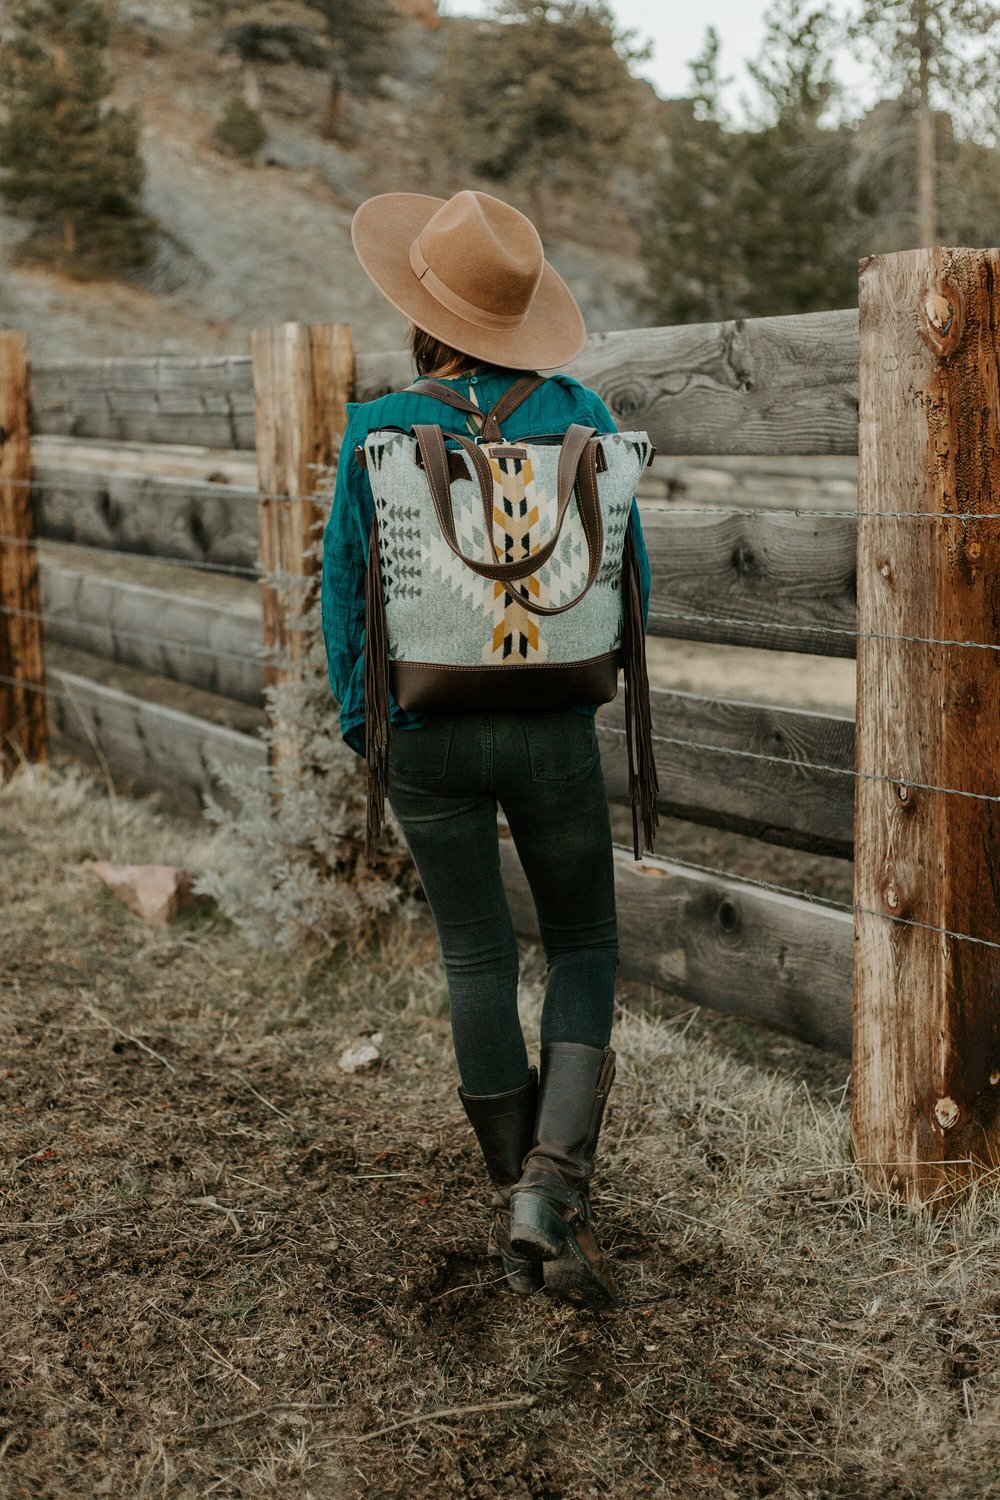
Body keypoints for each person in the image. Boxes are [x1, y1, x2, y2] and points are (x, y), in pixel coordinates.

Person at [321, 189, 652, 1307]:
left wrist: (368, 726)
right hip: (553, 721)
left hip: (425, 727)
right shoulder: (583, 415)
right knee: (585, 945)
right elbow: (628, 578)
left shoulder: (377, 427)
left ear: (424, 310)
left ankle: (521, 1190)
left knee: (476, 957)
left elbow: (344, 595)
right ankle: (550, 1191)